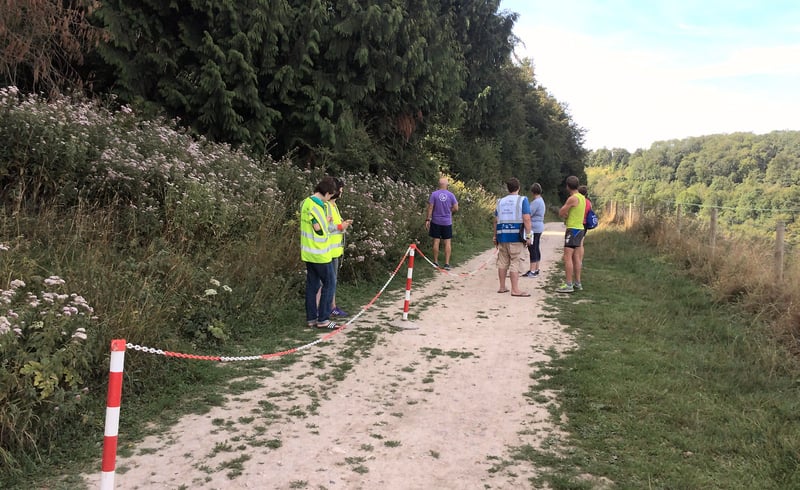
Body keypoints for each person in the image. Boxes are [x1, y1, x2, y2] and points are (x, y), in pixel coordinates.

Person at [300, 176, 338, 329]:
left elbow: (313, 223)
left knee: (312, 285)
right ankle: (323, 319)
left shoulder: (306, 202)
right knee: (329, 283)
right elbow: (319, 230)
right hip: (319, 253)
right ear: (327, 193)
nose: (329, 199)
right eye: (330, 195)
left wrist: (324, 221)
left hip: (308, 252)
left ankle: (311, 319)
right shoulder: (316, 206)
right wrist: (326, 223)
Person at [493, 178, 532, 297]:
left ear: (507, 188)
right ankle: (515, 289)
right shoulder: (522, 200)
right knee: (515, 261)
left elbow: (495, 220)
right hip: (516, 236)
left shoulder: (500, 201)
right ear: (518, 187)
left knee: (502, 261)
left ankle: (502, 286)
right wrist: (529, 235)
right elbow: (526, 218)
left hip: (502, 235)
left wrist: (495, 236)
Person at [325, 178, 353, 317]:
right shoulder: (327, 207)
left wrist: (343, 223)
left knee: (333, 280)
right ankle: (327, 308)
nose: (342, 192)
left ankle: (332, 306)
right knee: (327, 281)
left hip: (335, 250)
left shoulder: (334, 206)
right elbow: (328, 228)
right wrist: (342, 226)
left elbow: (336, 224)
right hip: (328, 250)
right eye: (340, 189)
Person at [556, 176, 585, 293]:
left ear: (568, 186)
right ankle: (578, 282)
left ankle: (568, 284)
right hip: (580, 228)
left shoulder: (572, 198)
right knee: (577, 257)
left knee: (567, 257)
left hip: (572, 229)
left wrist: (566, 215)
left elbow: (561, 212)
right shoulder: (582, 197)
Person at [425, 177, 459, 270]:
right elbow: (456, 208)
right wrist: (449, 211)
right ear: (447, 185)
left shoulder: (434, 194)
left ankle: (435, 262)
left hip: (436, 221)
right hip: (447, 222)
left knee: (436, 241)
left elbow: (430, 208)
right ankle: (447, 264)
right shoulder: (451, 195)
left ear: (439, 185)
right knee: (447, 242)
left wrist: (428, 219)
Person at [522, 183, 546, 278]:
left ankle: (532, 270)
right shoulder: (541, 200)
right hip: (539, 226)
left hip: (534, 228)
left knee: (532, 248)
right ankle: (536, 268)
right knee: (536, 247)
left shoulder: (536, 202)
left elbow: (528, 213)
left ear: (532, 192)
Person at [577, 185, 592, 279]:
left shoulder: (579, 200)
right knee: (581, 243)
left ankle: (576, 260)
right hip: (585, 223)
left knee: (577, 244)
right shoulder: (589, 202)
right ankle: (580, 260)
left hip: (578, 222)